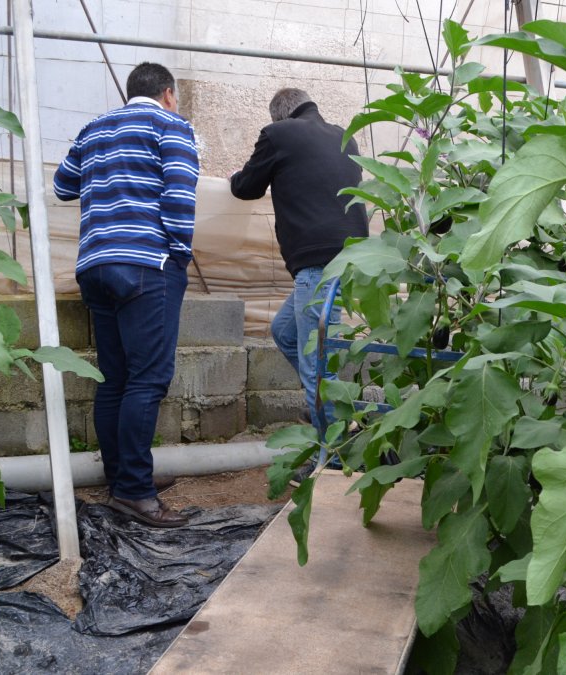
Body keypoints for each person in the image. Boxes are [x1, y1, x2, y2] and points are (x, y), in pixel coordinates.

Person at [53, 62, 198, 527]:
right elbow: (180, 196)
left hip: (94, 267)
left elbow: (62, 186)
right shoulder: (171, 125)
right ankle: (134, 492)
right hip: (145, 265)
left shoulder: (94, 127)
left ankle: (123, 479)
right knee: (148, 379)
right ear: (168, 94)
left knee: (114, 378)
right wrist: (177, 254)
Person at [230, 88, 368, 443]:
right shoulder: (344, 137)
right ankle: (332, 413)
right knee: (286, 334)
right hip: (349, 259)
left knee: (316, 366)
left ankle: (336, 450)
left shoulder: (278, 135)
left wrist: (234, 176)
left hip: (317, 265)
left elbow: (246, 187)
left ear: (279, 116)